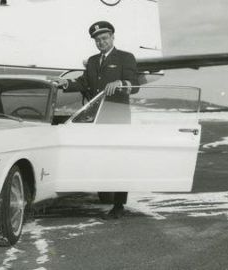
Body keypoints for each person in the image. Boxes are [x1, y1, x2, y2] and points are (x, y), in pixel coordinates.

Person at [61, 21, 139, 219]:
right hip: (95, 119)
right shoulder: (93, 61)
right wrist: (65, 83)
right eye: (97, 40)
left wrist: (120, 82)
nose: (101, 42)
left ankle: (119, 205)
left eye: (104, 38)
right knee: (101, 158)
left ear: (112, 37)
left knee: (119, 161)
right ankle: (105, 194)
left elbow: (135, 84)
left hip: (116, 118)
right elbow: (84, 82)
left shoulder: (125, 57)